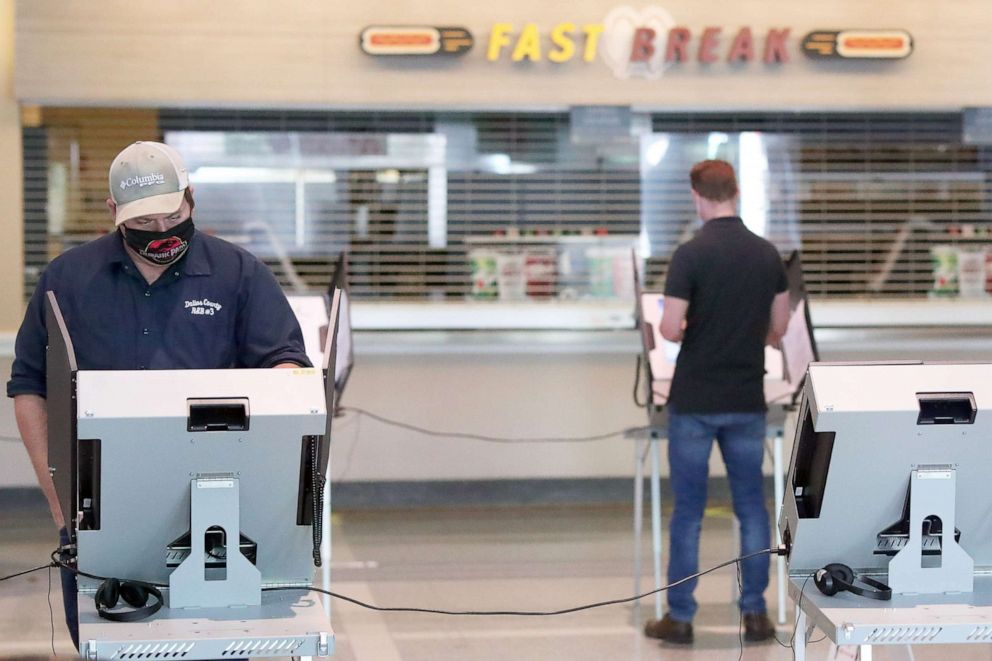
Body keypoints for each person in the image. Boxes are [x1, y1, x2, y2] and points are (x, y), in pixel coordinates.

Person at [7, 141, 311, 648]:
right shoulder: (69, 280)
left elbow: (286, 373)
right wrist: (60, 504)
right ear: (114, 212)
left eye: (172, 215)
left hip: (214, 508)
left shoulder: (239, 276)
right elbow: (30, 388)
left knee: (216, 645)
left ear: (191, 198)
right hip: (101, 507)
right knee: (109, 643)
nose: (161, 233)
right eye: (144, 224)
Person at [646, 160, 790, 645]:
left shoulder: (689, 255)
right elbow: (781, 326)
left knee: (688, 510)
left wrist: (693, 329)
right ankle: (755, 615)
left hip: (694, 399)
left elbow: (668, 329)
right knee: (751, 506)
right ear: (737, 192)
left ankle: (681, 616)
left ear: (696, 195)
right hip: (746, 398)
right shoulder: (767, 254)